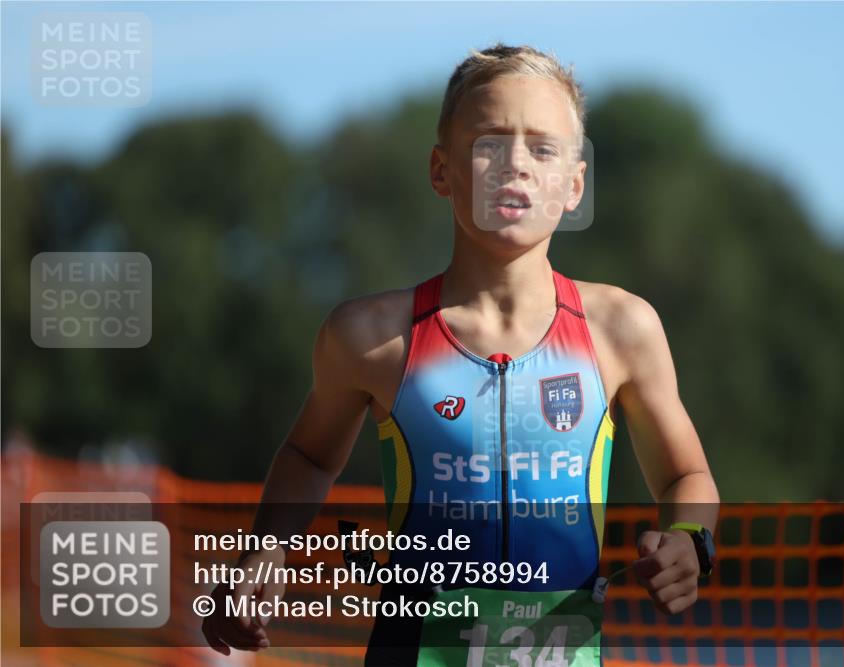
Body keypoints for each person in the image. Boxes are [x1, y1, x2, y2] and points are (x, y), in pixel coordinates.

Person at [202, 43, 720, 666]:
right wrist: (265, 549)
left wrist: (691, 540)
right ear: (441, 170)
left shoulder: (620, 328)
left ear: (574, 185)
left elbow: (686, 476)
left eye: (542, 149)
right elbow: (309, 456)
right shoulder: (371, 336)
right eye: (489, 144)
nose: (515, 164)